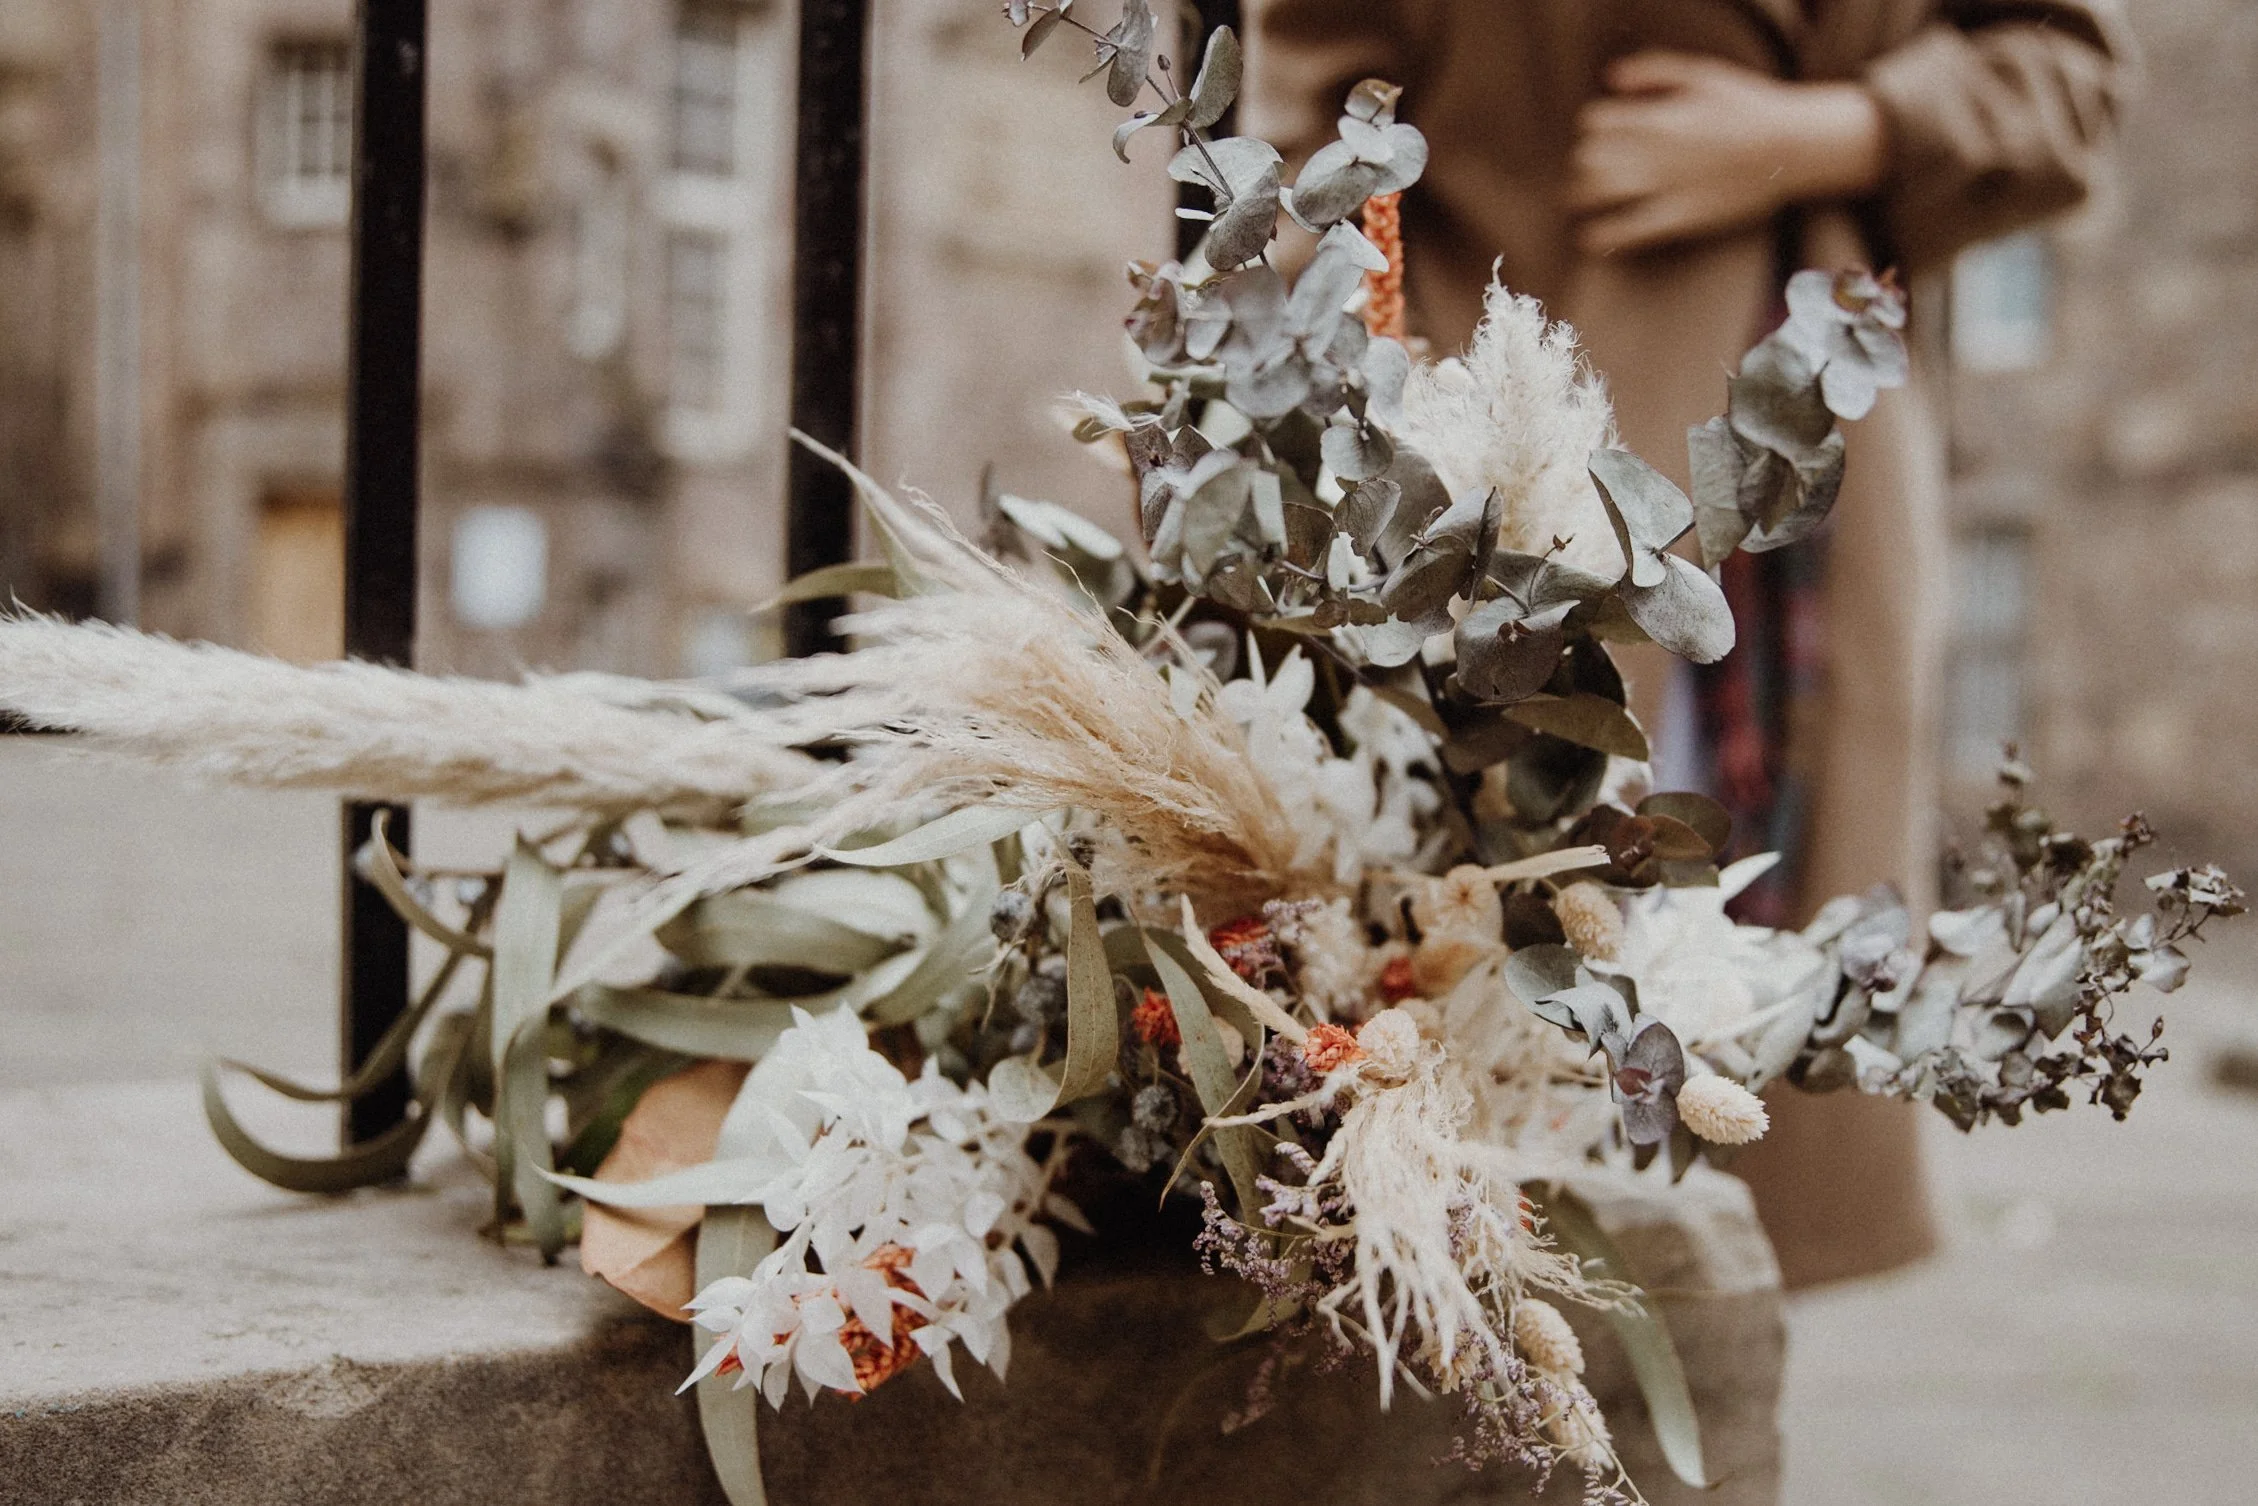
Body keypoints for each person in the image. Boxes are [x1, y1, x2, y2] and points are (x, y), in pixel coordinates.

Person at [1244, 0, 2129, 1287]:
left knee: (1740, 1123)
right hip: (1507, 481)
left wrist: (1836, 132)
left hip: (1811, 524)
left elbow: (2064, 70)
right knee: (1451, 1106)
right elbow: (1309, 144)